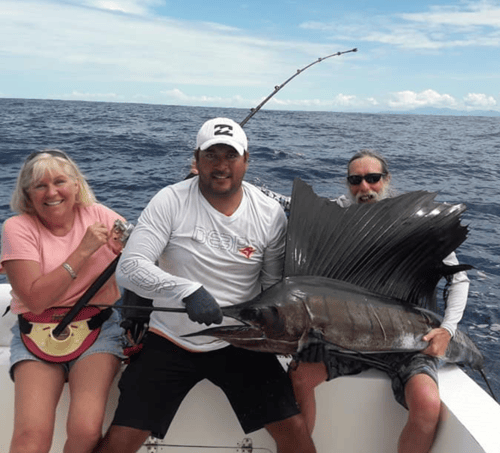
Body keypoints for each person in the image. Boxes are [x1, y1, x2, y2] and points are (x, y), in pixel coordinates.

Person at [93, 118, 315, 453]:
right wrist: (187, 290)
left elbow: (271, 288)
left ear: (246, 161)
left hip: (241, 341)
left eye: (231, 156)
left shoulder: (269, 214)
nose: (221, 166)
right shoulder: (169, 200)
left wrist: (278, 332)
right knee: (119, 442)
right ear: (196, 159)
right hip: (170, 338)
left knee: (296, 436)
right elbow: (130, 268)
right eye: (212, 156)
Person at [289, 149, 470, 453]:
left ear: (387, 180)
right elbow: (279, 203)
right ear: (347, 184)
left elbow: (459, 279)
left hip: (408, 341)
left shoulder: (415, 223)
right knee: (299, 376)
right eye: (355, 180)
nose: (364, 188)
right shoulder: (337, 217)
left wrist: (447, 330)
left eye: (373, 179)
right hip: (345, 337)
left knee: (427, 404)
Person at [0, 149, 126, 453]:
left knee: (85, 429)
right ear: (28, 195)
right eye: (40, 185)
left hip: (98, 328)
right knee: (31, 435)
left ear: (76, 186)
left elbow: (142, 254)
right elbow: (36, 300)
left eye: (59, 182)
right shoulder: (17, 227)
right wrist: (83, 251)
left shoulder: (102, 216)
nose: (51, 192)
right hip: (37, 328)